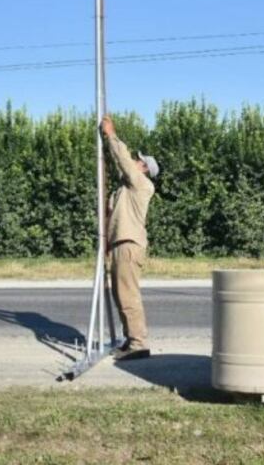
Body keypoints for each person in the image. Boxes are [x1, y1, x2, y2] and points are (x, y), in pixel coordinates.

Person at [101, 115, 159, 361]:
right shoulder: (126, 188)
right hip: (119, 244)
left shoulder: (142, 185)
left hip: (128, 245)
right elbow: (120, 165)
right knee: (120, 295)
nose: (134, 161)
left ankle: (138, 343)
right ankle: (130, 339)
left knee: (128, 295)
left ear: (144, 168)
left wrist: (111, 135)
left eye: (138, 160)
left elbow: (123, 160)